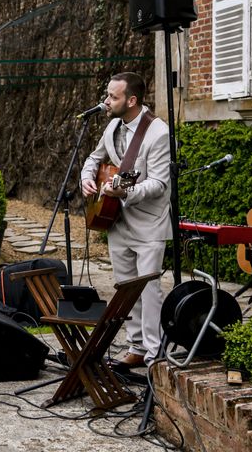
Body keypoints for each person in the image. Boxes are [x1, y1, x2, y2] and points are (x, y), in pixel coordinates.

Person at [80, 72, 171, 367]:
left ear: (131, 100)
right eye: (107, 95)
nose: (106, 101)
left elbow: (159, 184)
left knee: (149, 289)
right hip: (116, 221)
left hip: (148, 223)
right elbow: (95, 158)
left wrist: (124, 191)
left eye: (113, 97)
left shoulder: (158, 133)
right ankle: (135, 346)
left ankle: (154, 355)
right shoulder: (112, 126)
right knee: (124, 287)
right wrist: (86, 177)